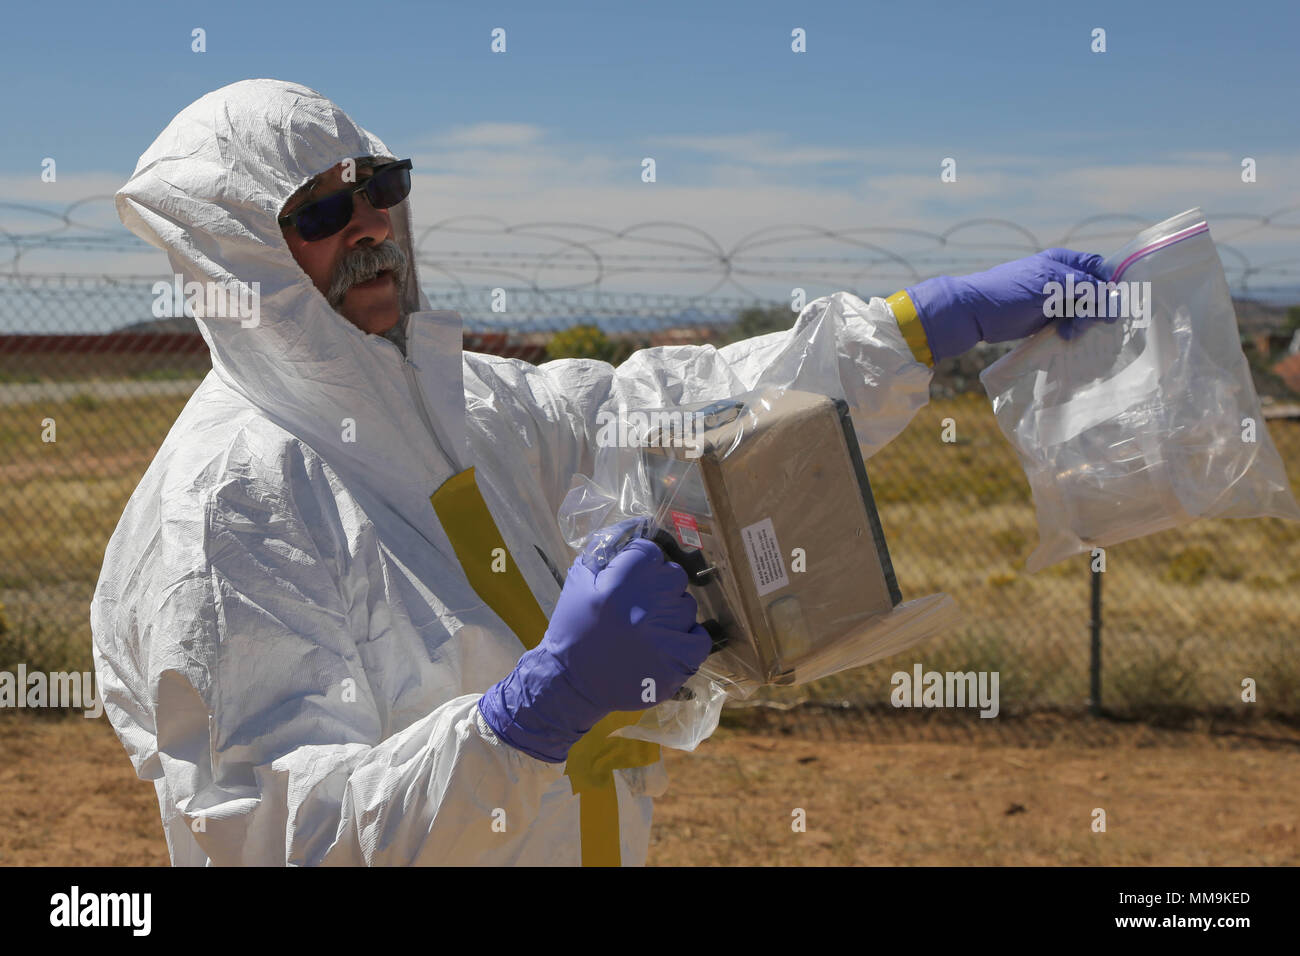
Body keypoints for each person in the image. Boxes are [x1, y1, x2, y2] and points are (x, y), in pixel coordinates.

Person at [91, 78, 1110, 866]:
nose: (367, 225)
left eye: (379, 188)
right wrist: (527, 712)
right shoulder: (226, 509)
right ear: (239, 261)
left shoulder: (477, 405)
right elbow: (275, 836)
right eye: (317, 214)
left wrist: (919, 328)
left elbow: (685, 412)